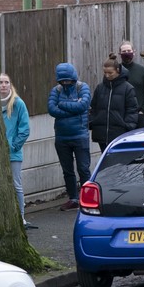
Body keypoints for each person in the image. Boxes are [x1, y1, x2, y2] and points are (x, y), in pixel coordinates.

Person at [48, 63, 91, 211]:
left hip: (80, 135)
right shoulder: (56, 90)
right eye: (63, 81)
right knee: (67, 170)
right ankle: (73, 198)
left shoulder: (82, 87)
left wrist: (62, 104)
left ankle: (87, 198)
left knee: (83, 169)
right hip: (61, 137)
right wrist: (73, 106)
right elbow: (52, 109)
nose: (66, 83)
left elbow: (83, 106)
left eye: (69, 80)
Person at [0, 74, 34, 229]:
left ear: (10, 85)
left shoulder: (18, 103)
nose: (3, 85)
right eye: (0, 82)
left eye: (6, 82)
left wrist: (13, 146)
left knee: (16, 185)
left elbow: (24, 129)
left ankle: (21, 217)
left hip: (13, 152)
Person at [90, 54, 139, 152]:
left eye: (110, 73)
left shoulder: (127, 88)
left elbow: (132, 109)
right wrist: (92, 122)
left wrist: (127, 126)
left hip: (119, 133)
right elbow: (94, 107)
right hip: (101, 133)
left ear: (118, 70)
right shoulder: (100, 88)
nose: (107, 75)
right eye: (105, 73)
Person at [119, 41, 144, 128]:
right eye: (124, 51)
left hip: (138, 116)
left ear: (134, 52)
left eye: (129, 50)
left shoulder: (143, 71)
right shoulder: (115, 71)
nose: (127, 53)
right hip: (119, 116)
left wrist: (143, 111)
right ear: (120, 53)